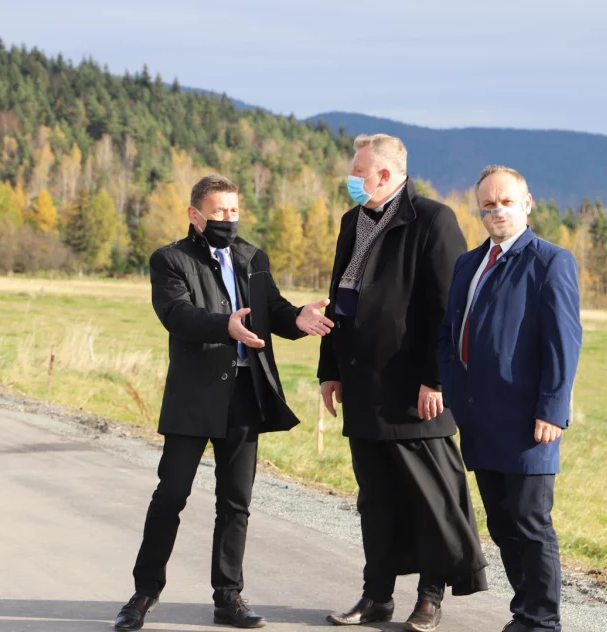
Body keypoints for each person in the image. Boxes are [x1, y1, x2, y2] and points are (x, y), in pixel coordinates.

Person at [113, 174, 334, 630]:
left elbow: (271, 309)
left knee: (236, 502)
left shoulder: (253, 257)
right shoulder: (169, 259)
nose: (228, 220)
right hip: (194, 397)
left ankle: (228, 597)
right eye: (219, 212)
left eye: (234, 211)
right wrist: (224, 326)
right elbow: (177, 315)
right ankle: (143, 594)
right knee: (170, 496)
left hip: (245, 396)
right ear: (195, 215)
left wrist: (299, 317)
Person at [318, 134, 487, 631]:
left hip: (417, 396)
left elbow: (450, 311)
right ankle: (376, 598)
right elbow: (339, 299)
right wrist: (329, 369)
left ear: (387, 175)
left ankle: (430, 599)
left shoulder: (432, 220)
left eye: (358, 171)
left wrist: (436, 379)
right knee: (376, 500)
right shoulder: (354, 221)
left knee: (429, 501)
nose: (351, 179)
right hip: (363, 389)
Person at [438, 166, 582, 632]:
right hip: (480, 418)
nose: (496, 210)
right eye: (488, 203)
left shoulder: (550, 261)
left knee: (530, 521)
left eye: (506, 202)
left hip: (528, 421)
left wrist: (553, 409)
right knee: (501, 524)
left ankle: (541, 622)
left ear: (527, 204)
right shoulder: (469, 262)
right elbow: (450, 334)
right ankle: (525, 613)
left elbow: (564, 341)